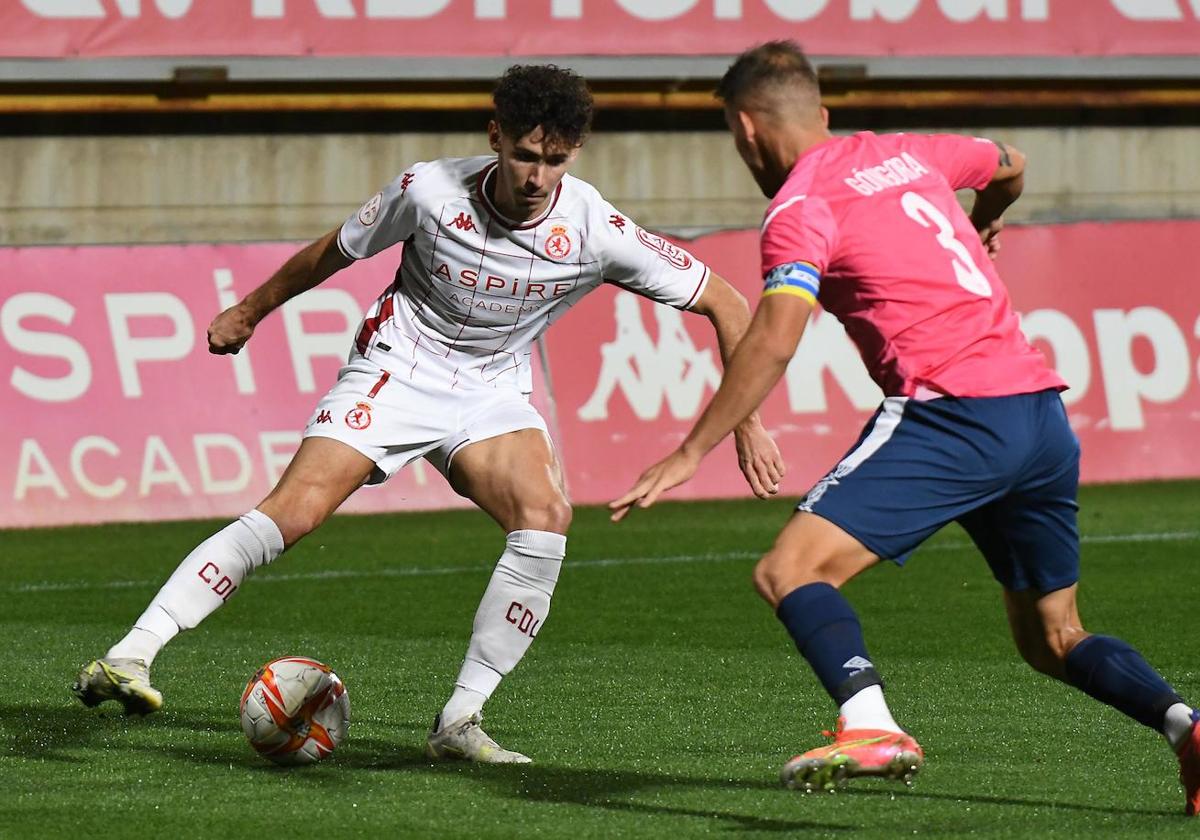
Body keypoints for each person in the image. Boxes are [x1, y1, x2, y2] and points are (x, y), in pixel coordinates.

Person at [73, 64, 783, 763]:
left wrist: (745, 420)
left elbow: (725, 301)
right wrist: (251, 310)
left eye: (555, 160)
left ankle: (460, 718)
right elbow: (336, 251)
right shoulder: (429, 189)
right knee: (291, 513)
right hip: (396, 370)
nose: (537, 177)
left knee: (546, 518)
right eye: (525, 155)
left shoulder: (596, 229)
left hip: (491, 392)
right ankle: (130, 656)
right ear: (495, 133)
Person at [611, 40, 1200, 814]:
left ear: (747, 133)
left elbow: (777, 334)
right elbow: (1011, 160)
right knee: (1052, 637)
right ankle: (1184, 726)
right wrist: (986, 221)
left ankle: (869, 722)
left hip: (951, 413)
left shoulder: (800, 207)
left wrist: (694, 448)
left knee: (790, 571)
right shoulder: (912, 153)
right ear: (821, 113)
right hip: (1040, 414)